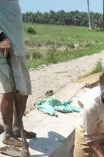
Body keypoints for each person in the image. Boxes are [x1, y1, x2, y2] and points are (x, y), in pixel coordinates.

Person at [0, 0, 36, 147]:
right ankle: (8, 134)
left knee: (24, 91)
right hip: (5, 49)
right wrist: (1, 37)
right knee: (10, 91)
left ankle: (17, 128)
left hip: (17, 49)